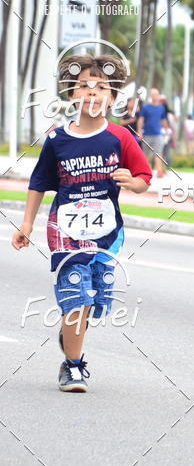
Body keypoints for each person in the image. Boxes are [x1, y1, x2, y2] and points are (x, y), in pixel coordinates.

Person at [11, 55, 152, 392]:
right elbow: (38, 183)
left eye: (101, 88)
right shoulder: (57, 139)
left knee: (97, 300)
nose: (92, 94)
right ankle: (73, 366)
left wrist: (131, 181)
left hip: (107, 235)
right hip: (65, 233)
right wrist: (27, 224)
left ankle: (70, 333)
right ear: (72, 95)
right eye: (84, 87)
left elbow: (145, 178)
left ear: (113, 98)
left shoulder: (120, 137)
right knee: (78, 296)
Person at [137, 88, 168, 177]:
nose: (154, 96)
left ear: (158, 96)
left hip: (158, 134)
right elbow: (141, 120)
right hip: (147, 134)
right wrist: (139, 131)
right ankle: (146, 172)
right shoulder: (146, 108)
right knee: (145, 155)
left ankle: (159, 171)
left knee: (158, 153)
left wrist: (166, 130)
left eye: (156, 94)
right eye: (153, 94)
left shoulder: (161, 108)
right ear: (150, 96)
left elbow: (163, 120)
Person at [159, 95, 177, 168]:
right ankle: (160, 168)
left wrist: (173, 139)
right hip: (159, 134)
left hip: (167, 135)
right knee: (160, 152)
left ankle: (163, 167)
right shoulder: (158, 112)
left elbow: (173, 128)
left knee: (165, 151)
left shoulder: (170, 115)